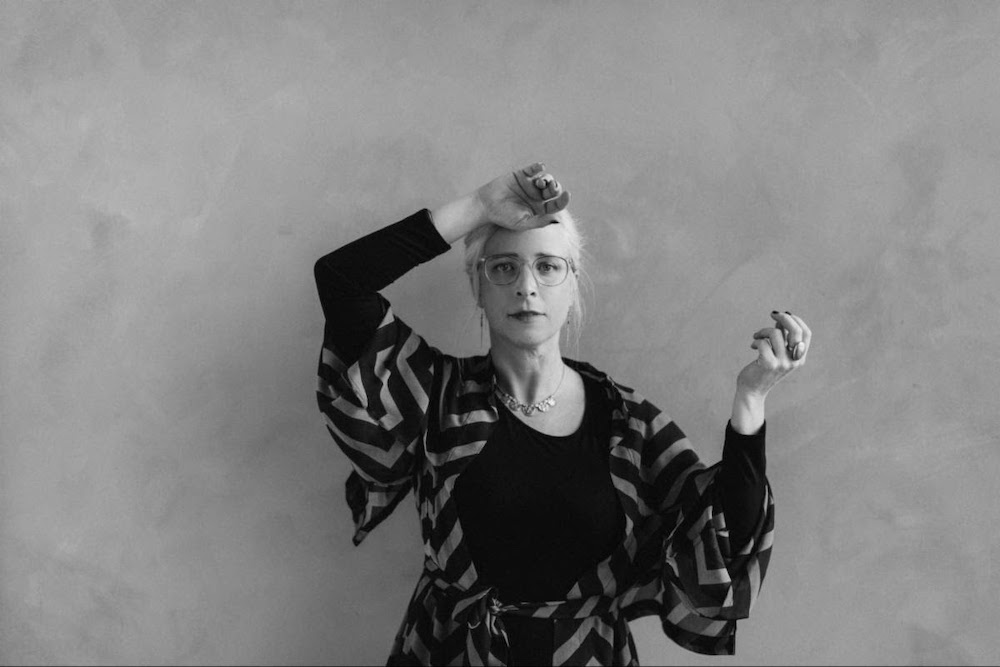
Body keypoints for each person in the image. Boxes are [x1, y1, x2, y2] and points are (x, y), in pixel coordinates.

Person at [314, 162, 810, 666]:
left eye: (548, 267)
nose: (526, 287)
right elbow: (340, 280)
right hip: (449, 653)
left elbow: (726, 541)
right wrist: (480, 207)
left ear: (572, 286)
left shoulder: (627, 425)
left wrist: (751, 398)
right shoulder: (437, 396)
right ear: (478, 287)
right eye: (503, 268)